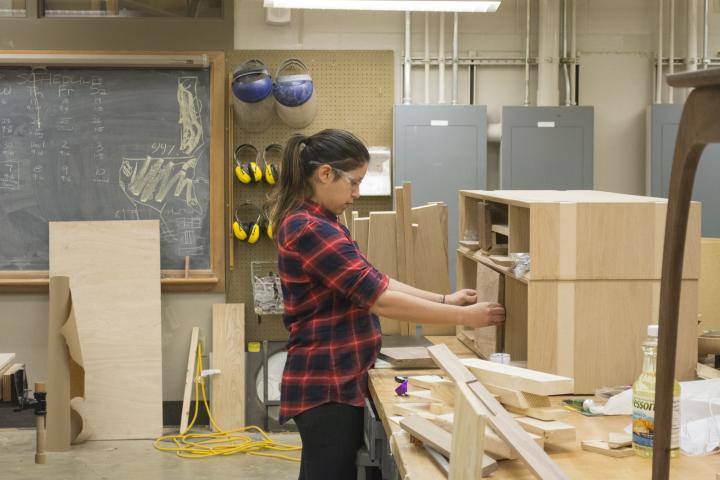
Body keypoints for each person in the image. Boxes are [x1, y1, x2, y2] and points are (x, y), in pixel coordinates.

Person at [269, 129, 505, 480]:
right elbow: (380, 300)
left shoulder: (325, 222)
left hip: (336, 377)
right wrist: (464, 316)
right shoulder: (310, 229)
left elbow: (375, 279)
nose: (357, 193)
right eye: (354, 182)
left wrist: (443, 299)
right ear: (325, 174)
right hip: (326, 382)